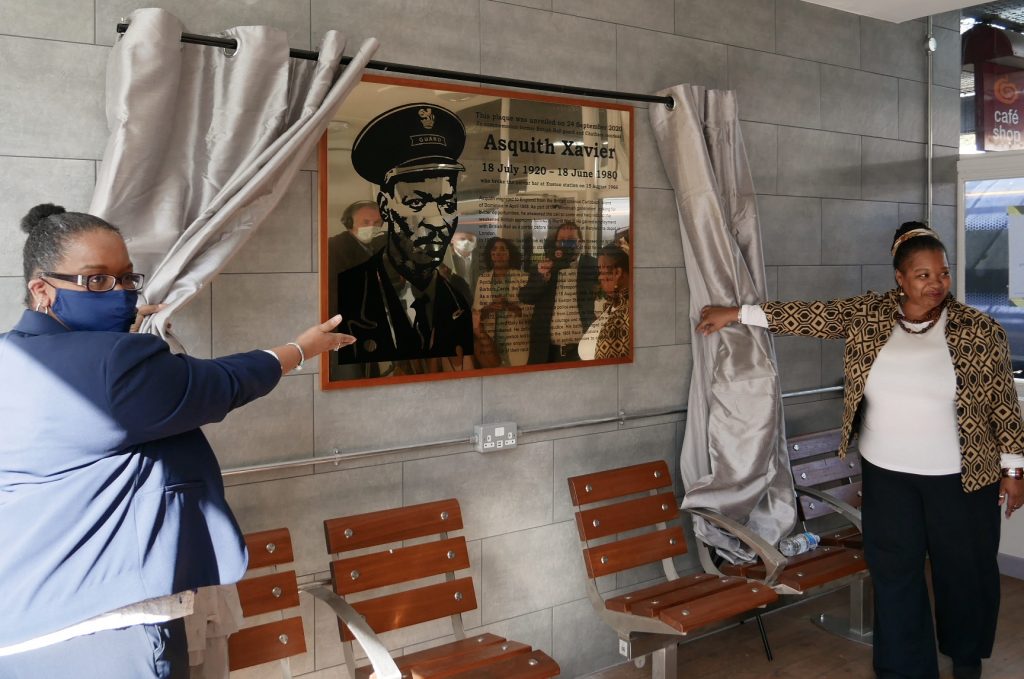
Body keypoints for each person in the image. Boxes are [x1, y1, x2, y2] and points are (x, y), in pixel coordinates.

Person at [0, 204, 355, 678]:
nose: (120, 293)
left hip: (24, 616)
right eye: (96, 280)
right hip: (106, 625)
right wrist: (300, 348)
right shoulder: (115, 364)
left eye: (127, 279)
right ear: (42, 289)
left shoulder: (13, 355)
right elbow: (219, 384)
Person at [697, 221, 1024, 679]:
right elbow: (807, 316)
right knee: (895, 576)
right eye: (923, 275)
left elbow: (1002, 403)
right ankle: (906, 670)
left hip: (962, 478)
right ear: (900, 278)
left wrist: (1014, 469)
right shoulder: (869, 316)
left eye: (943, 273)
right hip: (888, 476)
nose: (936, 284)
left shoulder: (979, 329)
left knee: (965, 573)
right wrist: (736, 314)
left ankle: (966, 661)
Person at [335, 103, 473, 371]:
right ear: (386, 208)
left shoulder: (458, 292)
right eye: (417, 202)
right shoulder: (351, 290)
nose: (436, 221)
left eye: (447, 204)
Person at [519, 221, 598, 363]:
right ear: (556, 243)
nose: (566, 245)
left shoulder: (593, 265)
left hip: (584, 349)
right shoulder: (544, 266)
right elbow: (525, 297)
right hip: (548, 351)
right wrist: (542, 277)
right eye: (562, 241)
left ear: (581, 243)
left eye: (571, 241)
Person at [472, 237, 531, 367]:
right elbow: (476, 315)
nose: (498, 253)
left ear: (510, 254)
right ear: (490, 255)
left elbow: (531, 312)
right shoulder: (483, 280)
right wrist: (488, 308)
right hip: (490, 344)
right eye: (494, 249)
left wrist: (510, 306)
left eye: (503, 249)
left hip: (516, 342)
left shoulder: (523, 277)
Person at [579, 244, 630, 360]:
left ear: (618, 273)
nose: (599, 278)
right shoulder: (611, 307)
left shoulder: (627, 313)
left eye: (602, 271)